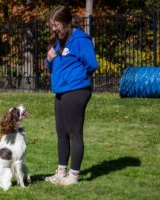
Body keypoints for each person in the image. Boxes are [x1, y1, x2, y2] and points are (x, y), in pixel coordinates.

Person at [45, 5, 98, 185]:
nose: (54, 28)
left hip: (76, 90)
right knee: (61, 133)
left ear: (67, 22)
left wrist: (76, 78)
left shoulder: (80, 39)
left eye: (56, 24)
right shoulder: (59, 40)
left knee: (75, 133)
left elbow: (91, 64)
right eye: (52, 25)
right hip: (60, 91)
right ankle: (61, 172)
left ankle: (73, 176)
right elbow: (52, 67)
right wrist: (49, 60)